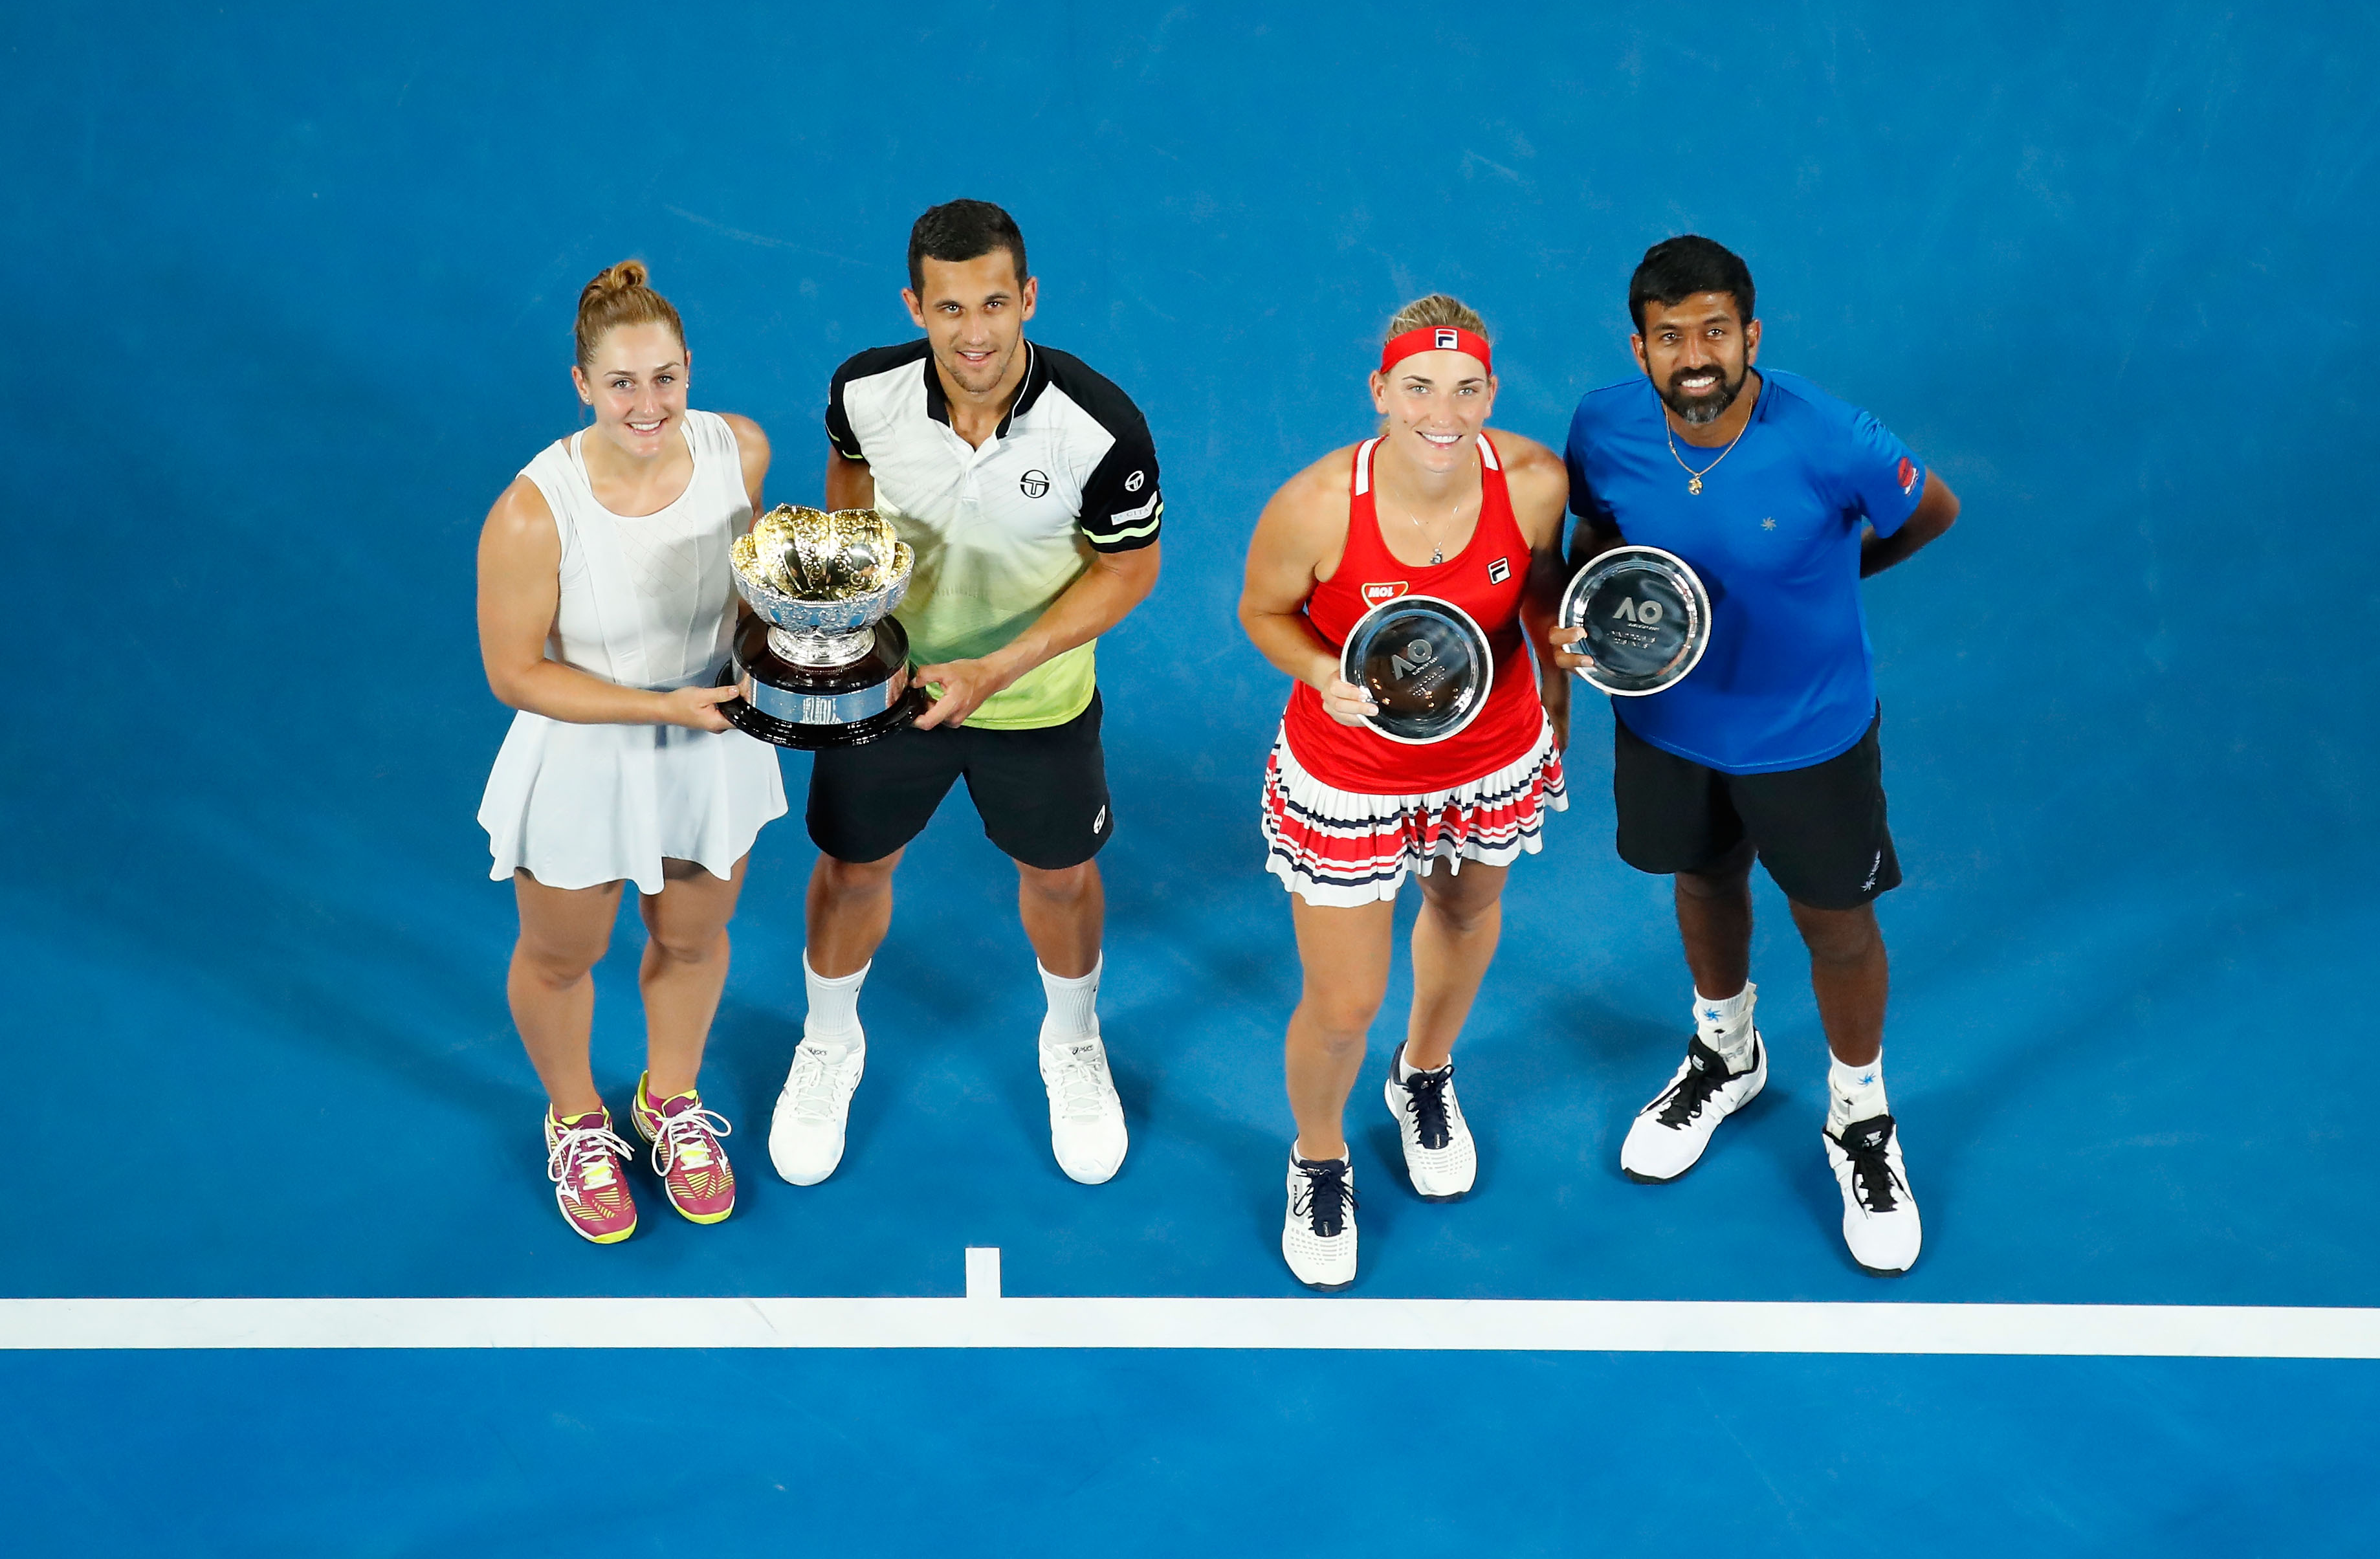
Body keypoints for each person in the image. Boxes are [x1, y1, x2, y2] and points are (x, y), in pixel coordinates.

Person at [1554, 235, 1961, 1276]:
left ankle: (1858, 1116)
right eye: (1670, 336)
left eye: (1716, 332)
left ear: (1751, 337)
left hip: (1807, 734)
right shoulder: (1601, 425)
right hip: (1664, 722)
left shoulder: (1829, 435)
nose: (1695, 356)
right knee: (1700, 877)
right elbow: (1596, 542)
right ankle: (1724, 1053)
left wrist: (1824, 584)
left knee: (1835, 921)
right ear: (1638, 347)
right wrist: (1588, 617)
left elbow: (1930, 510)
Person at [769, 199, 1162, 1190]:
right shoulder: (865, 392)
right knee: (852, 867)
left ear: (1028, 297)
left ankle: (1071, 1043)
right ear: (916, 305)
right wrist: (855, 617)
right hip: (891, 690)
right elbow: (848, 479)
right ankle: (827, 1045)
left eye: (994, 303)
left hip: (1033, 700)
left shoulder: (1098, 426)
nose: (974, 332)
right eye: (949, 309)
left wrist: (998, 668)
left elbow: (1128, 571)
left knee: (1060, 878)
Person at [1237, 297, 1572, 1290]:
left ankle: (1421, 1074)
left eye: (1465, 389)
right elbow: (1262, 612)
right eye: (1418, 388)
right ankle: (1319, 1156)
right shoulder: (1312, 505)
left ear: (1490, 394)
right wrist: (1319, 672)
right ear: (1379, 390)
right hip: (1352, 773)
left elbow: (1544, 594)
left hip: (1488, 755)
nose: (1443, 412)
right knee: (1343, 1003)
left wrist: (1558, 690)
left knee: (1468, 909)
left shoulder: (1535, 482)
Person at [476, 261, 785, 1243]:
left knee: (693, 936)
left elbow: (743, 597)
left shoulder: (739, 449)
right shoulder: (533, 509)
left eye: (664, 378)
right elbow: (517, 674)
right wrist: (660, 705)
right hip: (585, 753)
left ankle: (670, 1098)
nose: (645, 404)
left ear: (689, 369)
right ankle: (574, 1116)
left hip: (712, 737)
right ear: (581, 384)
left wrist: (794, 635)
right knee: (563, 956)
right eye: (620, 383)